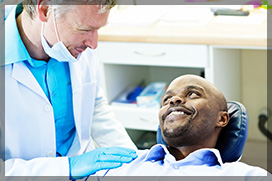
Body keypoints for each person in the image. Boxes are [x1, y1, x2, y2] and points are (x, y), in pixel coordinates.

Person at [1, 0, 138, 179]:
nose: (93, 43)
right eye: (84, 29)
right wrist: (68, 168)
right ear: (45, 9)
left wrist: (134, 163)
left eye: (97, 29)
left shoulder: (73, 46)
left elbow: (94, 105)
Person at [91, 74, 271, 177]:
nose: (174, 100)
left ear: (222, 119)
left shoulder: (245, 175)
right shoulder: (123, 166)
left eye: (192, 94)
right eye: (166, 99)